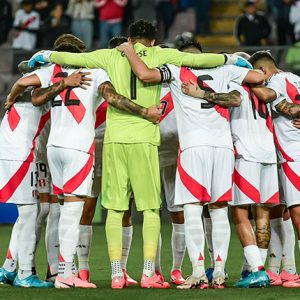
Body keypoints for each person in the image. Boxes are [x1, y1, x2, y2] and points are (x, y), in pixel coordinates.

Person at [27, 19, 253, 289]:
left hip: (114, 139)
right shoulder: (162, 55)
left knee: (114, 208)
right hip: (146, 138)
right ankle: (148, 273)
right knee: (150, 210)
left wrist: (45, 55)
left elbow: (73, 58)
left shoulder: (110, 55)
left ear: (130, 38)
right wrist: (230, 59)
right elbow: (203, 60)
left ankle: (116, 275)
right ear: (154, 41)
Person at [117, 39, 264, 288]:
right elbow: (257, 77)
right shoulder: (224, 69)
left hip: (193, 148)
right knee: (218, 210)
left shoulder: (175, 69)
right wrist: (234, 58)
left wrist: (129, 51)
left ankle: (197, 273)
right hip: (223, 148)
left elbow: (143, 73)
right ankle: (218, 272)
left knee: (192, 209)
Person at [249, 50, 300, 288]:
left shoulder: (275, 81)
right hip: (286, 155)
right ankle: (285, 269)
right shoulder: (294, 77)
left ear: (262, 72)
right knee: (284, 213)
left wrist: (240, 80)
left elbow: (274, 99)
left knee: (297, 211)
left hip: (292, 154)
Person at [0, 62, 53, 288]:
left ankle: (9, 268)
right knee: (31, 213)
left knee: (27, 213)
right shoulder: (39, 101)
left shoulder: (20, 100)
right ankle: (24, 275)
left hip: (11, 154)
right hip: (22, 157)